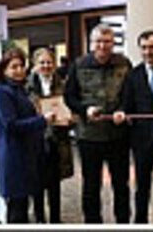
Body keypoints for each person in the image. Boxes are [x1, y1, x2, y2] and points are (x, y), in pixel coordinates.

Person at [63, 24, 132, 223]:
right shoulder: (79, 64)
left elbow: (131, 92)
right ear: (91, 43)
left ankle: (123, 223)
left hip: (117, 135)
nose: (103, 46)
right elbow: (70, 96)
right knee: (91, 186)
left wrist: (124, 109)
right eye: (98, 41)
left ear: (113, 43)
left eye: (107, 41)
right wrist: (85, 110)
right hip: (89, 136)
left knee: (121, 185)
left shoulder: (124, 63)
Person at [0, 48, 55, 223]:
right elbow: (10, 125)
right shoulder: (2, 93)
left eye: (21, 66)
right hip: (15, 157)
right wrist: (41, 121)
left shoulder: (21, 90)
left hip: (28, 155)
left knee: (24, 206)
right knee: (17, 209)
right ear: (4, 69)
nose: (19, 70)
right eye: (14, 67)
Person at [120, 30, 153, 223]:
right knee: (142, 187)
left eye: (152, 47)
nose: (148, 52)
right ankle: (140, 223)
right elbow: (126, 105)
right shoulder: (132, 76)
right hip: (142, 141)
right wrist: (121, 113)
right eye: (144, 48)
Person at [26, 48, 72, 223]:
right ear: (35, 65)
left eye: (49, 62)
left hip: (57, 140)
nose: (46, 66)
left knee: (55, 184)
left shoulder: (63, 84)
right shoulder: (26, 86)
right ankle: (39, 220)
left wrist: (69, 120)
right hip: (35, 141)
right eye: (42, 62)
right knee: (37, 184)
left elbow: (70, 110)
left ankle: (55, 220)